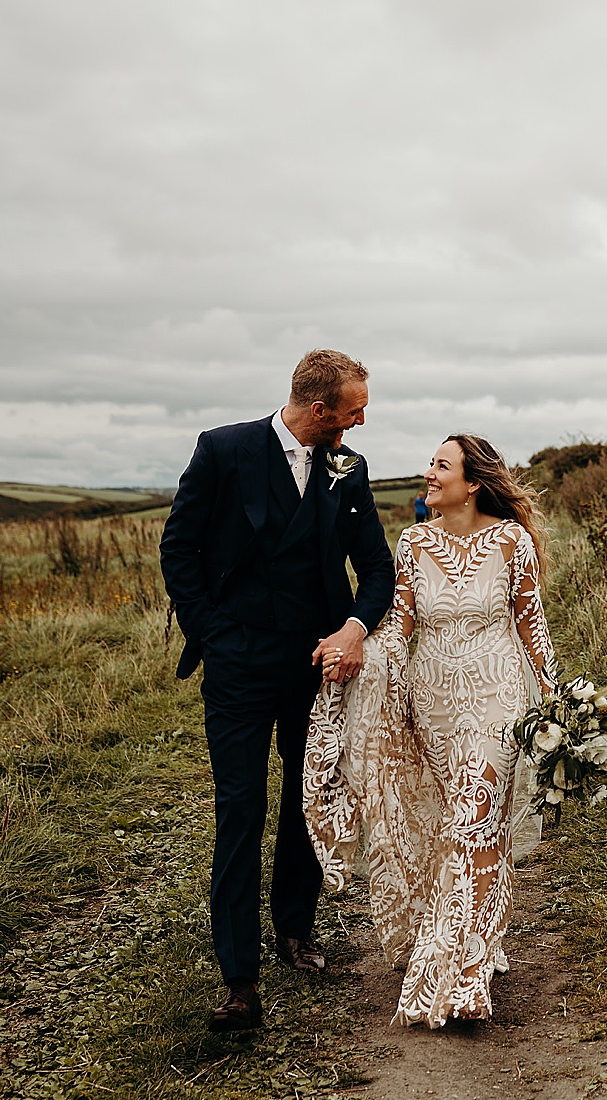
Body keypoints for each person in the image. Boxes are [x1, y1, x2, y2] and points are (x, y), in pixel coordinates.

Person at [160, 348, 394, 1032]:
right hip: (237, 663)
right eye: (352, 413)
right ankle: (239, 980)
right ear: (318, 410)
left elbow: (375, 568)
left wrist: (353, 628)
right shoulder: (224, 450)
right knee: (240, 809)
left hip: (316, 665)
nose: (357, 426)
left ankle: (296, 930)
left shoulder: (348, 471)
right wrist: (215, 633)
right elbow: (180, 549)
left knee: (305, 796)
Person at [305, 434, 555, 1027]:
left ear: (472, 483)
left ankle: (461, 980)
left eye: (441, 466)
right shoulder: (413, 542)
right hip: (432, 704)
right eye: (431, 464)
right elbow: (401, 625)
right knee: (460, 830)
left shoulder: (512, 542)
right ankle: (478, 944)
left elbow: (532, 629)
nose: (429, 474)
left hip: (497, 700)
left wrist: (557, 704)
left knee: (476, 821)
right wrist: (358, 649)